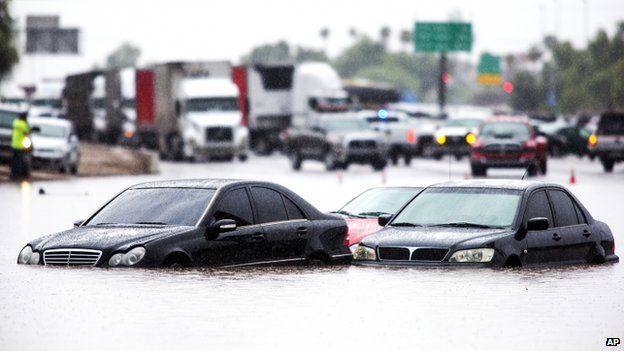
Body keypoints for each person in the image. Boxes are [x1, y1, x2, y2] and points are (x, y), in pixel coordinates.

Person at [10, 111, 31, 180]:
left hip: (14, 144)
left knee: (14, 160)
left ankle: (13, 173)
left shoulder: (15, 122)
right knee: (19, 161)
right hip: (20, 145)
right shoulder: (24, 124)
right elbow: (27, 133)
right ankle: (18, 174)